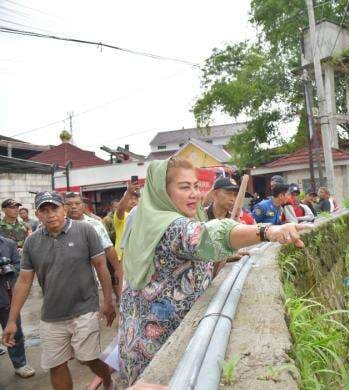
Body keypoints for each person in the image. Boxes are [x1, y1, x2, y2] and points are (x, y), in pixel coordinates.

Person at [118, 157, 309, 385]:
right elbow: (209, 235)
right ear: (163, 191)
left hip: (141, 340)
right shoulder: (170, 226)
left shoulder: (144, 218)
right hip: (156, 352)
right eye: (184, 187)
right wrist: (267, 231)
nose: (194, 194)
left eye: (196, 186)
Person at [2, 191, 116, 390]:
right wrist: (12, 320)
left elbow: (101, 267)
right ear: (38, 215)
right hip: (51, 314)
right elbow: (24, 281)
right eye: (44, 210)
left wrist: (108, 301)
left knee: (87, 359)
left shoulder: (85, 231)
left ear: (64, 209)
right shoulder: (32, 242)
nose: (50, 214)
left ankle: (107, 379)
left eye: (54, 208)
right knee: (56, 365)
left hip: (85, 309)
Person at [64, 192, 123, 303]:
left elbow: (108, 248)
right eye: (69, 204)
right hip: (66, 283)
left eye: (77, 203)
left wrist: (117, 269)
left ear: (83, 205)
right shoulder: (58, 226)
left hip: (91, 281)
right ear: (63, 207)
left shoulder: (95, 224)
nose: (73, 207)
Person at [0, 234, 35, 378]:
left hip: (6, 295)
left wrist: (5, 269)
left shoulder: (8, 243)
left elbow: (19, 265)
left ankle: (20, 363)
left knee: (14, 330)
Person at [113, 182, 140, 262]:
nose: (133, 201)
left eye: (136, 199)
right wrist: (128, 192)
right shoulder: (121, 215)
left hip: (136, 257)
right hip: (121, 258)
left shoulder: (140, 215)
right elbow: (120, 208)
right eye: (130, 198)